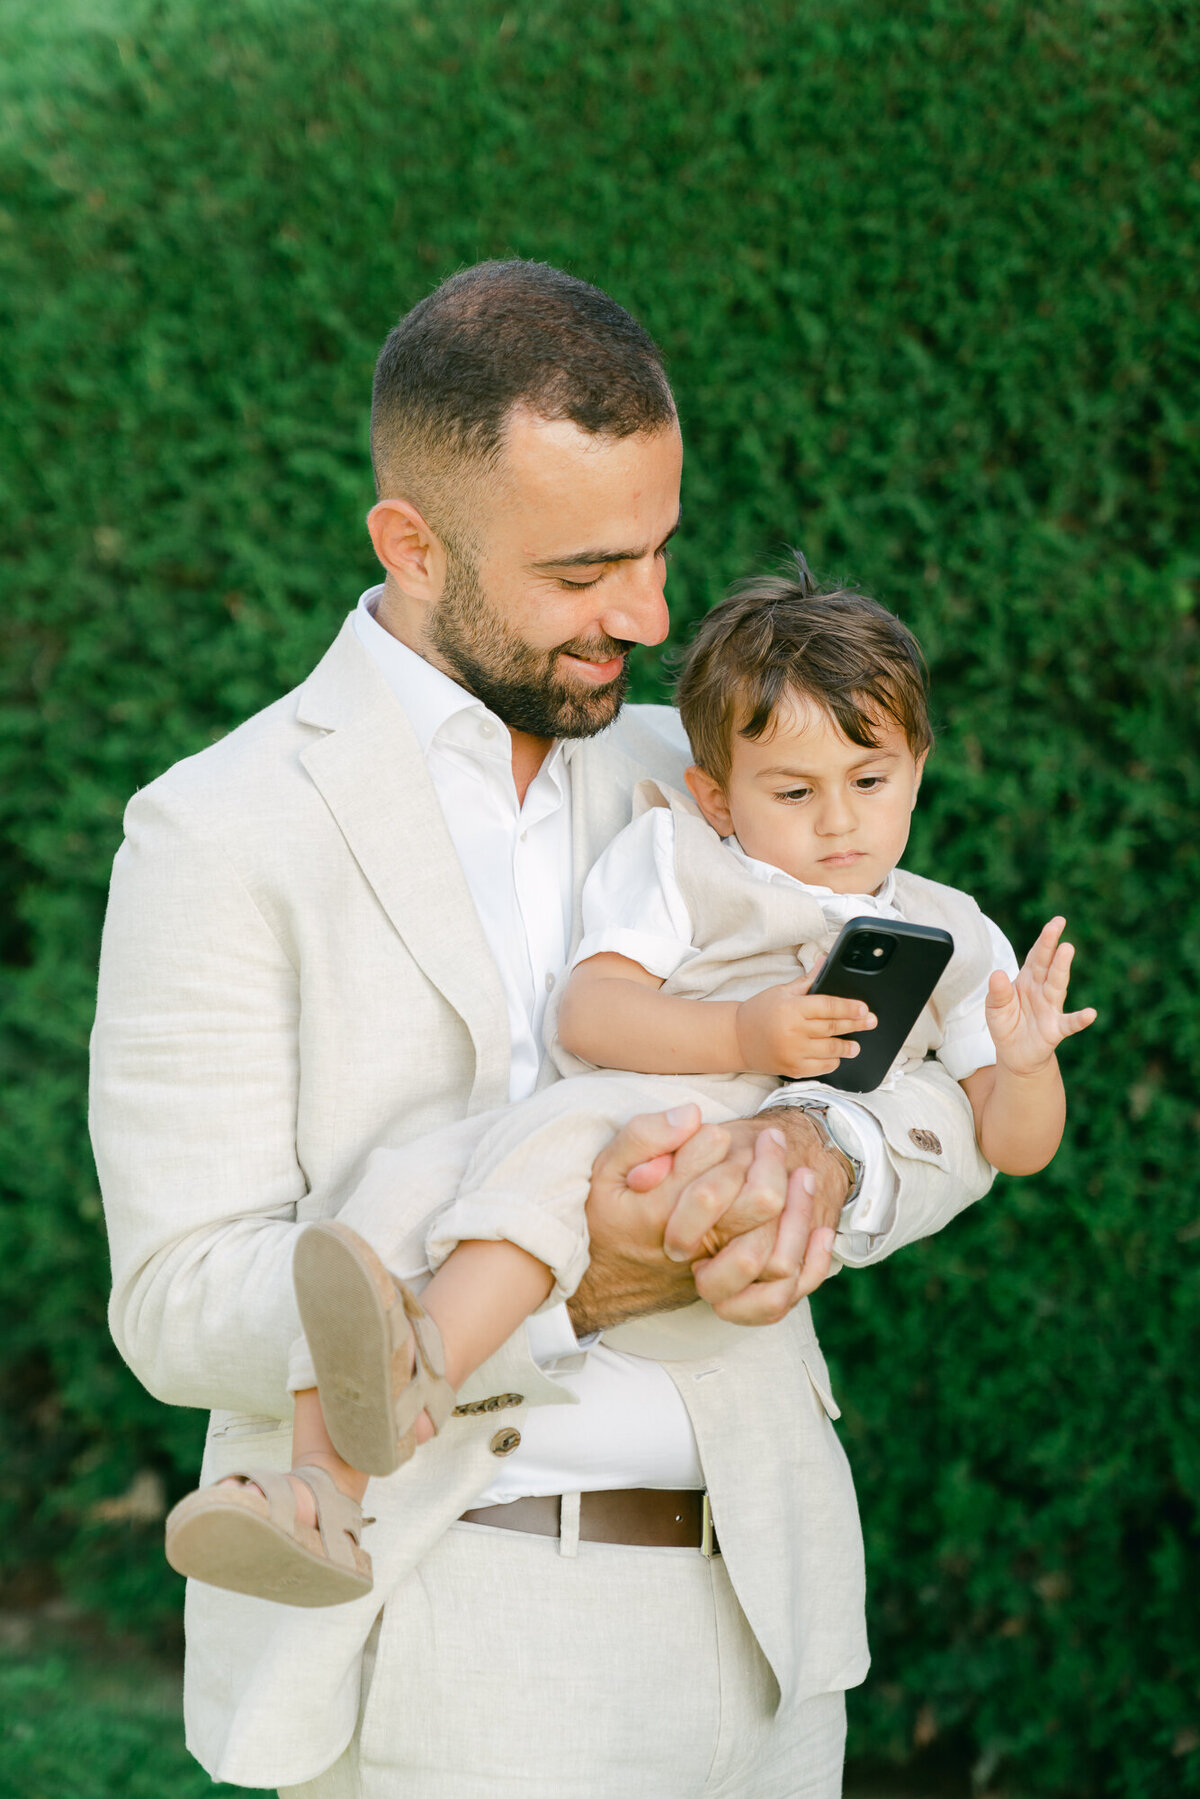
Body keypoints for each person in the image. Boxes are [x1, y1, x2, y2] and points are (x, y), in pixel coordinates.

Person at [91, 261, 1001, 1799]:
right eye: (586, 570)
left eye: (656, 550)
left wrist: (820, 1160)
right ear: (412, 542)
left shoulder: (718, 770)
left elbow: (943, 1069)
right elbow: (178, 1299)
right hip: (449, 1643)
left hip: (767, 1625)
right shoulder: (217, 828)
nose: (645, 614)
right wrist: (563, 1272)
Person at [160, 568, 1094, 1611]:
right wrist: (743, 1026)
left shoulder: (953, 934)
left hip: (680, 1133)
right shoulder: (685, 857)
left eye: (870, 781)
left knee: (532, 1164)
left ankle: (418, 1376)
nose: (840, 822)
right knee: (401, 1185)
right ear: (716, 795)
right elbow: (591, 1014)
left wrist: (1024, 1061)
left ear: (918, 769)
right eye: (793, 792)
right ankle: (319, 1488)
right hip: (642, 1090)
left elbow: (1012, 1143)